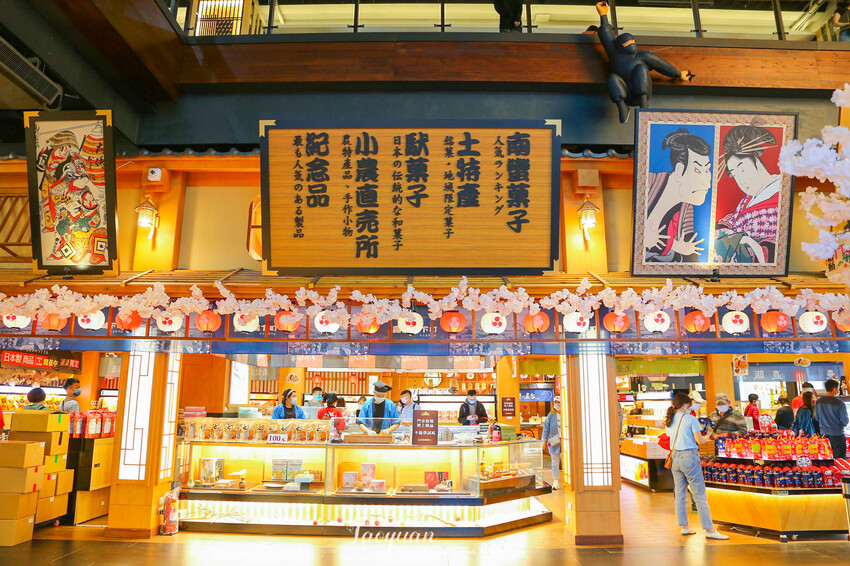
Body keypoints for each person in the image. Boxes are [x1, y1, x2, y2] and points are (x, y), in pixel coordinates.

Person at [594, 2, 693, 123]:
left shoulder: (642, 55)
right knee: (612, 78)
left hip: (641, 92)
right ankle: (622, 107)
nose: (630, 45)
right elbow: (606, 33)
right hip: (625, 92)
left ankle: (644, 107)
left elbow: (661, 65)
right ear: (620, 46)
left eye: (632, 42)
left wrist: (678, 74)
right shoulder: (615, 52)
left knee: (640, 68)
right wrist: (603, 14)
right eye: (627, 43)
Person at [715, 124, 781, 264]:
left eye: (743, 170)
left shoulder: (778, 200)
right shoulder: (751, 196)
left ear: (756, 159)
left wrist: (744, 241)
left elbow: (768, 251)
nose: (741, 180)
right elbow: (732, 219)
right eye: (735, 174)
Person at [666, 393, 728, 540]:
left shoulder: (669, 419)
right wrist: (710, 435)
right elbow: (700, 441)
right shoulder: (690, 419)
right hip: (689, 457)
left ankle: (685, 527)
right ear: (685, 404)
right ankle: (710, 529)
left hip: (675, 458)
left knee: (680, 494)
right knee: (699, 494)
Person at [644, 129, 711, 263]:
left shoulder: (687, 207)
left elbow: (688, 255)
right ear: (680, 170)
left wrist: (681, 249)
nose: (706, 182)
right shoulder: (648, 183)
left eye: (707, 170)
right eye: (698, 170)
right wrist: (643, 240)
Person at [815, 379, 849, 458]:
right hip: (837, 434)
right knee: (839, 459)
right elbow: (845, 421)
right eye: (837, 388)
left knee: (827, 458)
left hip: (823, 434)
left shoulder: (819, 402)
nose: (838, 390)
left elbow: (817, 418)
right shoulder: (839, 403)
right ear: (834, 389)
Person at [542, 395, 562, 490]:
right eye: (555, 402)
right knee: (555, 462)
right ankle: (555, 481)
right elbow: (546, 428)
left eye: (559, 402)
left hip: (566, 440)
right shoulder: (551, 415)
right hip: (554, 440)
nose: (557, 404)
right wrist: (543, 441)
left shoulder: (567, 413)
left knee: (568, 461)